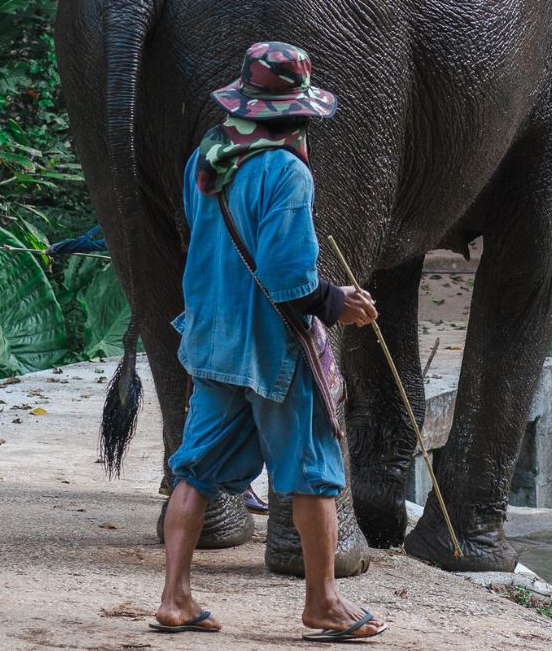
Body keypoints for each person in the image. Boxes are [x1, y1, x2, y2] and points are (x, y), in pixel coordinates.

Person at [151, 41, 388, 642]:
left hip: (212, 338)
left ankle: (175, 597)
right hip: (272, 348)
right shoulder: (287, 172)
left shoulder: (206, 160)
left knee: (195, 470)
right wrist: (339, 303)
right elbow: (288, 280)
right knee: (313, 472)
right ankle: (323, 603)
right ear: (297, 115)